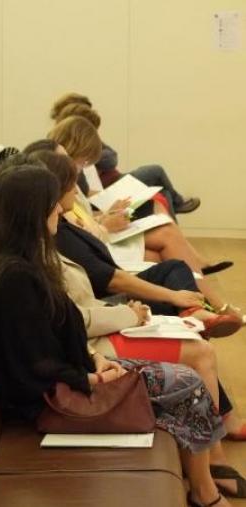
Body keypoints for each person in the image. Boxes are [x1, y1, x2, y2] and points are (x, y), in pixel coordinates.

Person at [0, 163, 236, 507]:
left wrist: (93, 359)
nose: (58, 210)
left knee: (187, 382)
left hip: (70, 377)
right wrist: (89, 376)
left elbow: (53, 336)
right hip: (52, 402)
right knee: (186, 386)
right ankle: (206, 493)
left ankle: (204, 488)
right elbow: (32, 367)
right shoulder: (14, 277)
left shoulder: (23, 261)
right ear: (33, 211)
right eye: (52, 203)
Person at [29, 148, 246, 446]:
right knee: (195, 342)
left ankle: (199, 314)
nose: (74, 188)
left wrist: (101, 223)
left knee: (173, 268)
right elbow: (88, 301)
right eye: (69, 183)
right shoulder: (51, 239)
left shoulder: (58, 226)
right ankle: (213, 465)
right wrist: (133, 313)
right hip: (103, 321)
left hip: (103, 314)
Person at [46, 119, 234, 279]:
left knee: (160, 201)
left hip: (101, 229)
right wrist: (105, 222)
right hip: (100, 240)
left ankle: (200, 295)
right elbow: (80, 230)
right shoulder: (64, 187)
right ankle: (204, 296)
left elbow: (84, 220)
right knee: (165, 230)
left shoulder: (72, 183)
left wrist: (105, 216)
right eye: (84, 161)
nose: (83, 167)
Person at [50, 92, 200, 214]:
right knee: (156, 172)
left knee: (163, 196)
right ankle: (177, 207)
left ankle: (174, 238)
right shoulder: (69, 159)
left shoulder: (82, 151)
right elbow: (84, 202)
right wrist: (107, 204)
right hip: (108, 191)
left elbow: (112, 157)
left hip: (109, 190)